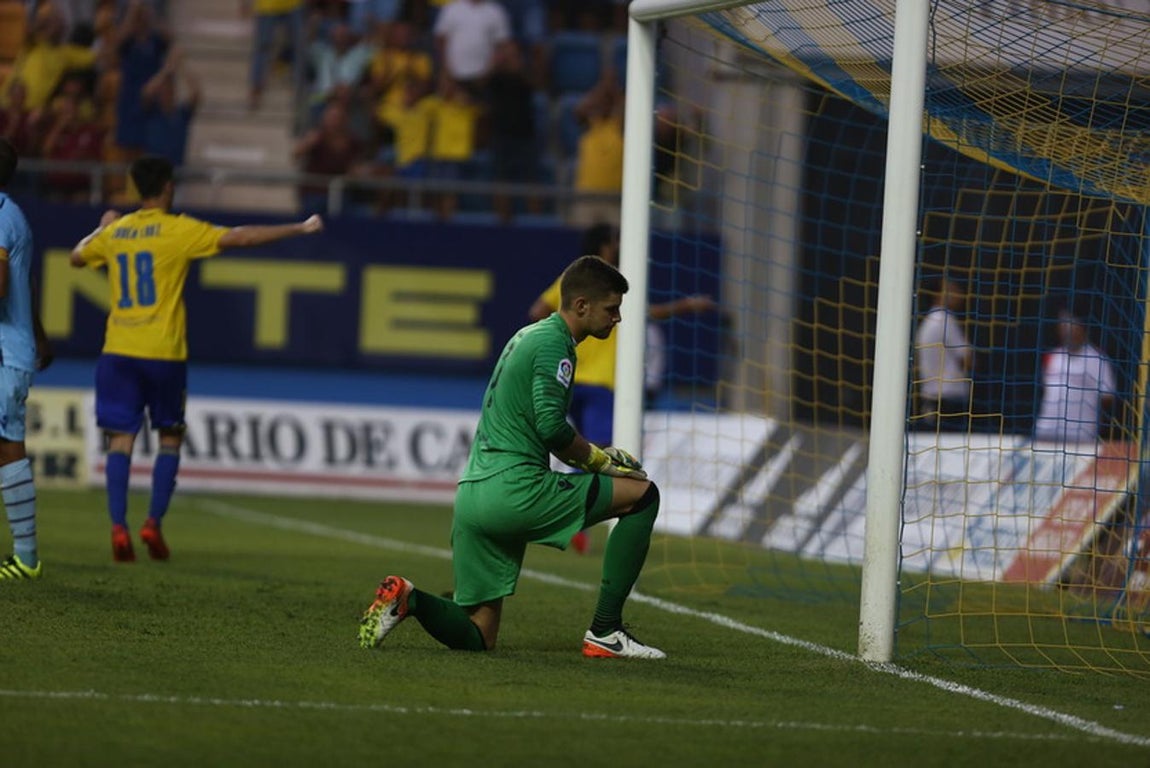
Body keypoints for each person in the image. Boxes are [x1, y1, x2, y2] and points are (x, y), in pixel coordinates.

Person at [359, 255, 667, 659]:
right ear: (581, 306)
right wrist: (600, 460)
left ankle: (409, 599)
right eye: (612, 310)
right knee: (643, 496)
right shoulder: (555, 345)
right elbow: (552, 428)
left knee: (478, 636)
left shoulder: (527, 336)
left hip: (472, 495)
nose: (618, 319)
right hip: (515, 490)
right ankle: (606, 631)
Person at [70, 155, 324, 562]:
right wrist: (298, 226)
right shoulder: (178, 229)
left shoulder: (116, 232)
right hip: (164, 353)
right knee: (170, 436)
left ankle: (118, 528)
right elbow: (239, 237)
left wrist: (100, 227)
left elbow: (76, 257)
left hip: (117, 352)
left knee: (120, 439)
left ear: (136, 189)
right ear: (167, 187)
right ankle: (153, 522)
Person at [528, 223, 716, 553]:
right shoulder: (599, 285)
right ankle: (564, 514)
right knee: (597, 453)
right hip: (599, 382)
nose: (619, 244)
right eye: (615, 239)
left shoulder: (573, 282)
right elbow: (648, 313)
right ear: (604, 246)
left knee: (587, 451)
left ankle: (566, 517)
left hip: (572, 380)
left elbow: (538, 311)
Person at [0, 138, 53, 580]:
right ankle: (27, 555)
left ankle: (27, 557)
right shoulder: (10, 212)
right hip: (12, 347)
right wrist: (39, 333)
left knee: (7, 445)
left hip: (2, 353)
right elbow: (23, 285)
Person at [1033, 308, 1116, 445]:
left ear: (1082, 326)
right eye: (1063, 324)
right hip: (1046, 433)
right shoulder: (1052, 357)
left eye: (1071, 324)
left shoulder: (1097, 359)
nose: (1067, 330)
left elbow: (1107, 397)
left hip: (1080, 436)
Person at [913, 276, 973, 430]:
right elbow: (968, 359)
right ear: (938, 294)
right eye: (952, 289)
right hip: (948, 401)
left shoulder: (928, 321)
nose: (959, 293)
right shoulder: (945, 320)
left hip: (931, 398)